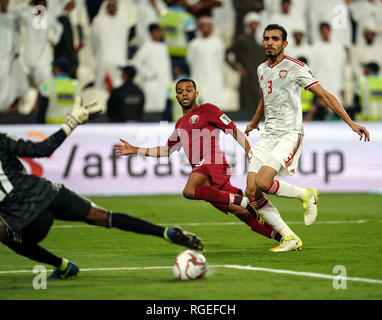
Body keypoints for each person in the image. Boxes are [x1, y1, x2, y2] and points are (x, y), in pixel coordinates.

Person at [0, 97, 203, 280]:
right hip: (48, 193)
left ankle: (62, 266)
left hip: (24, 216)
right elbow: (41, 150)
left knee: (8, 237)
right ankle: (165, 232)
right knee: (107, 217)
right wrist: (71, 123)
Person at [244, 24, 370, 252]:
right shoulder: (261, 69)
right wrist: (254, 122)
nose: (269, 42)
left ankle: (306, 194)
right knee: (252, 191)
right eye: (266, 38)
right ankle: (289, 238)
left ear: (284, 44)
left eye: (275, 39)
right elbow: (264, 100)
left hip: (289, 133)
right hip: (268, 134)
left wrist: (351, 123)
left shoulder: (296, 68)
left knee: (263, 182)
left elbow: (325, 95)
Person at [114, 78, 283, 247]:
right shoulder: (180, 124)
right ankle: (283, 237)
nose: (184, 94)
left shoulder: (208, 109)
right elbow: (167, 150)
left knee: (189, 191)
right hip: (204, 169)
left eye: (188, 90)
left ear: (196, 94)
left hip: (212, 161)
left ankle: (244, 201)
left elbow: (233, 130)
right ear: (177, 97)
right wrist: (136, 150)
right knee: (237, 210)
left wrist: (249, 152)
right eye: (180, 92)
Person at [225, 12, 266, 111]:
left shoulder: (263, 41)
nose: (254, 26)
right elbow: (227, 53)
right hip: (247, 80)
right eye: (251, 24)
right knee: (246, 108)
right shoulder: (242, 40)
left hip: (261, 79)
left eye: (256, 24)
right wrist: (237, 68)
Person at [132, 23, 172, 117]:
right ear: (151, 34)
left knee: (163, 109)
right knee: (151, 109)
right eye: (156, 32)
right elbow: (136, 61)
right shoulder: (147, 46)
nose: (158, 34)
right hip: (152, 83)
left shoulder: (163, 46)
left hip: (164, 83)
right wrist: (148, 73)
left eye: (159, 32)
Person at [186, 16, 225, 110]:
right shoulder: (194, 44)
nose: (205, 28)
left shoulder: (218, 42)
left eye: (208, 26)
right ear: (199, 28)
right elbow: (189, 60)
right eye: (203, 26)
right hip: (198, 77)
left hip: (214, 78)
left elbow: (220, 60)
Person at [90, 0, 129, 91]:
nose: (112, 8)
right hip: (103, 61)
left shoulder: (123, 24)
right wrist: (97, 55)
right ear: (106, 7)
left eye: (114, 5)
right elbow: (93, 42)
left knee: (119, 88)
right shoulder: (98, 22)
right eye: (110, 5)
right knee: (101, 88)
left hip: (120, 62)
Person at [38, 57, 82, 124]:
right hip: (71, 125)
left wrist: (39, 125)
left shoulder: (48, 84)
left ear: (56, 69)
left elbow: (42, 107)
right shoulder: (77, 85)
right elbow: (80, 107)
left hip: (51, 124)